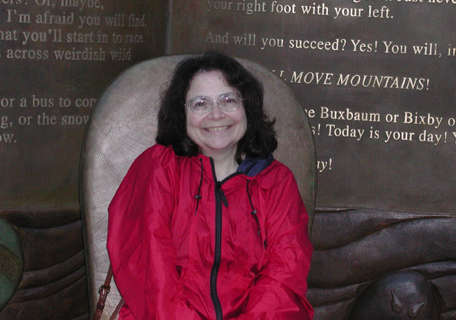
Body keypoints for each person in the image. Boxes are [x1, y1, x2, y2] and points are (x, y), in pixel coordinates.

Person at [107, 52, 313, 320]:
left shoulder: (277, 182)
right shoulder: (158, 169)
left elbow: (285, 275)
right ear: (182, 114)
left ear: (246, 108)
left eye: (228, 100)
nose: (216, 114)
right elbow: (151, 273)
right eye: (200, 103)